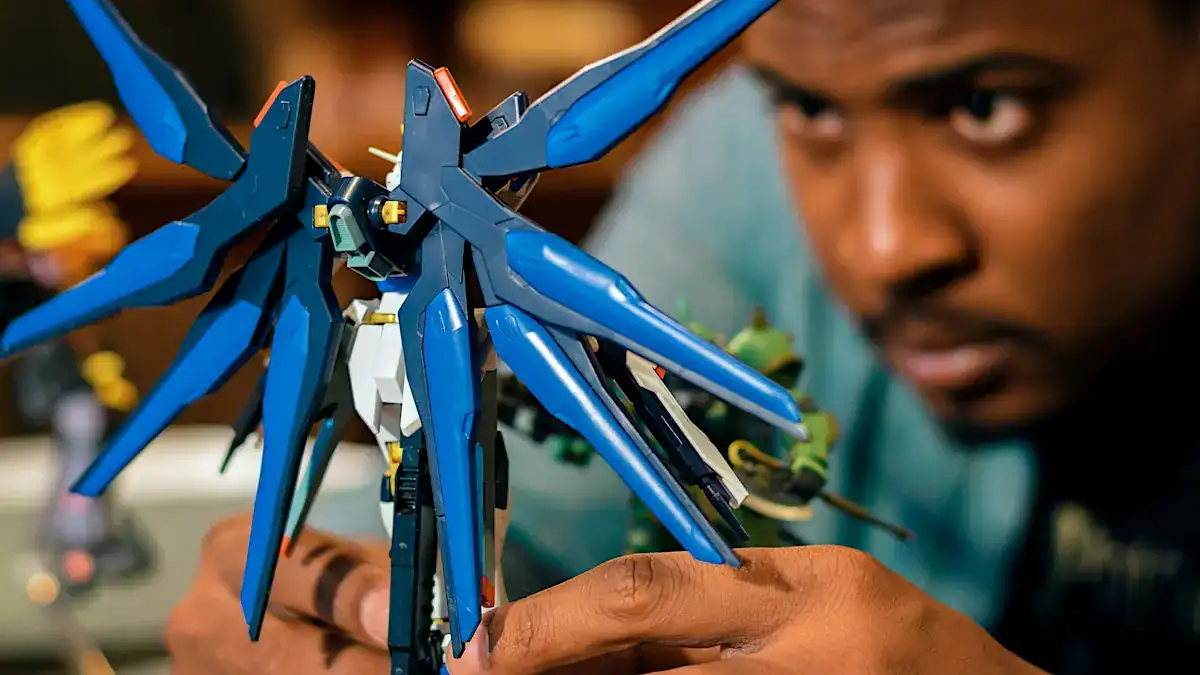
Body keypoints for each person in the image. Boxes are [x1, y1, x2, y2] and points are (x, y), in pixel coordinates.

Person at [164, 0, 1200, 672]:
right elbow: (511, 507)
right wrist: (325, 605)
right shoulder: (749, 156)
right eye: (804, 108)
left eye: (986, 107)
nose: (884, 246)